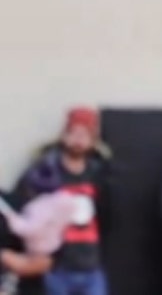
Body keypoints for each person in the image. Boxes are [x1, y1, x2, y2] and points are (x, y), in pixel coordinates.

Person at [18, 108, 114, 295]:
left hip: (91, 264)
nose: (79, 140)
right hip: (56, 265)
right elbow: (27, 210)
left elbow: (108, 215)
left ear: (93, 140)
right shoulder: (45, 171)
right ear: (64, 135)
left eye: (85, 134)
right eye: (74, 133)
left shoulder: (100, 173)